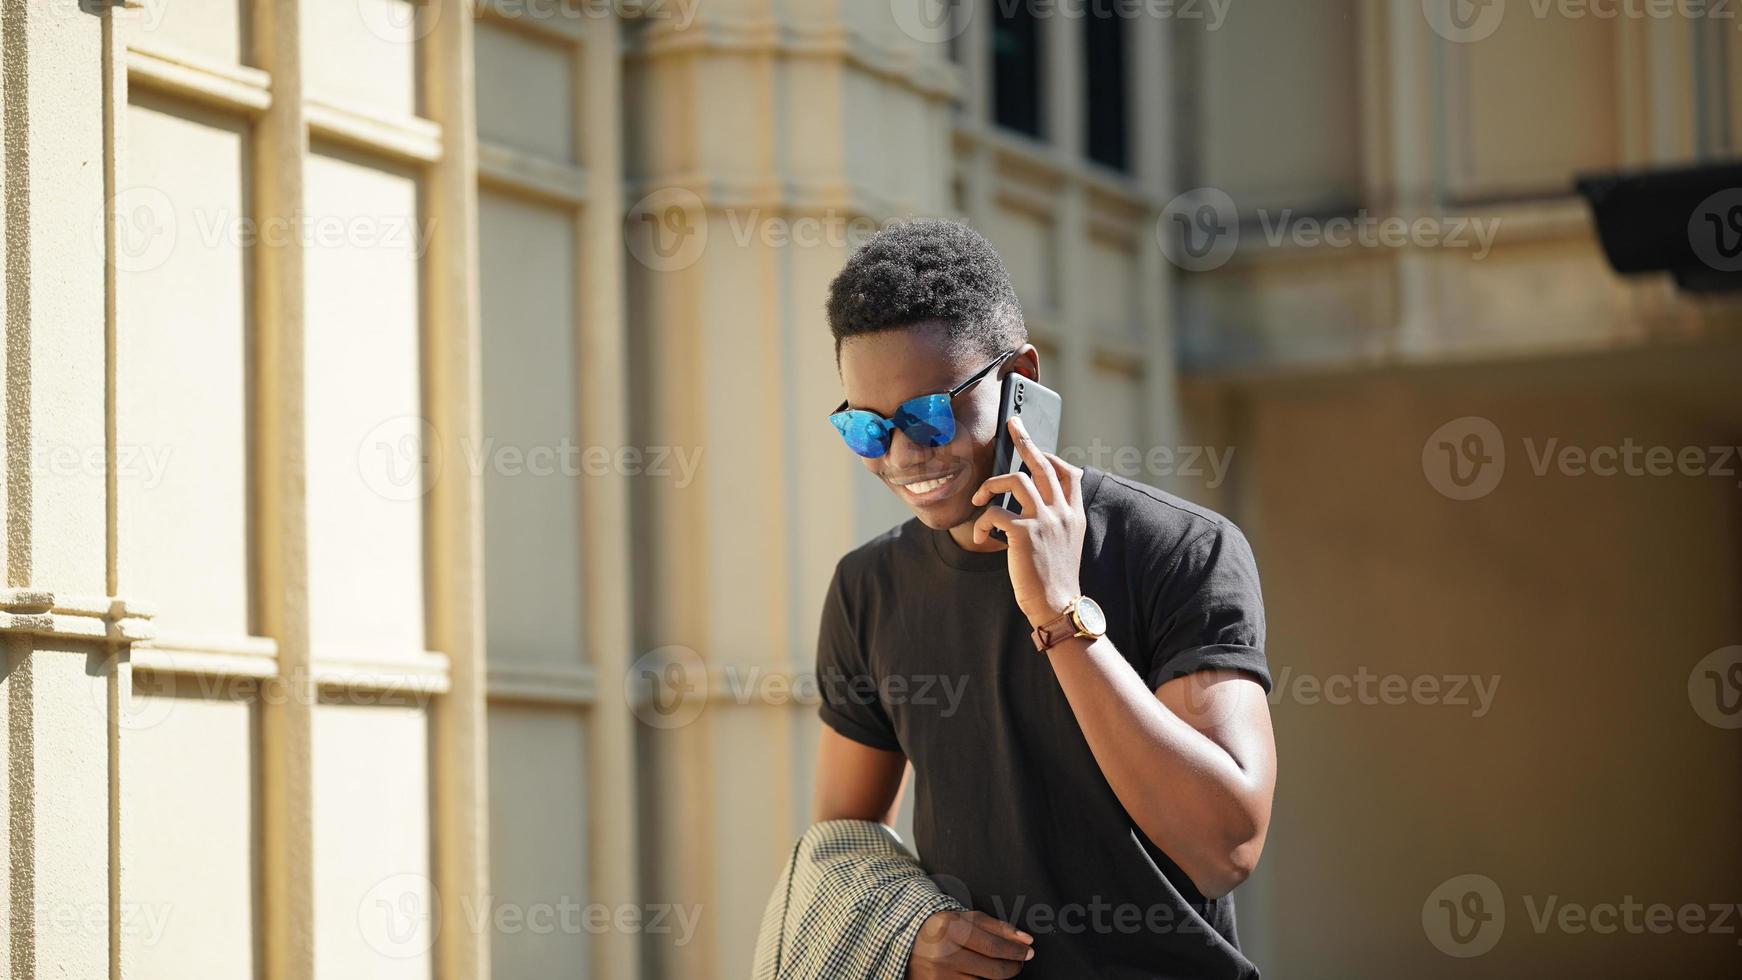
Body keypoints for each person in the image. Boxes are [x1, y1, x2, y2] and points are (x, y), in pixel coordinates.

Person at [812, 219, 1277, 979]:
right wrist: (909, 934)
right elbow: (842, 851)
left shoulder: (1179, 549)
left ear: (1020, 374)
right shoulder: (868, 589)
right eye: (868, 429)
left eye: (930, 413)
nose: (903, 455)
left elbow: (1226, 847)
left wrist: (1061, 614)